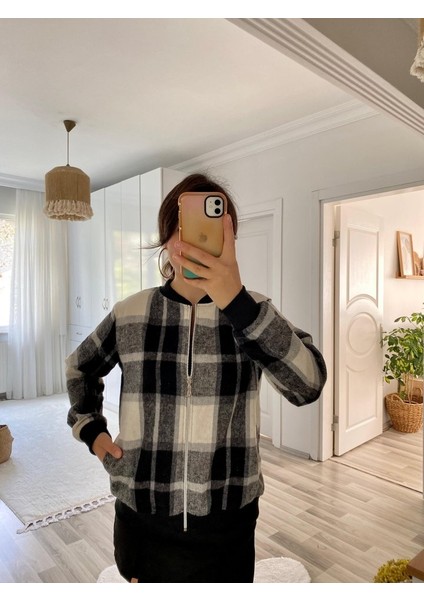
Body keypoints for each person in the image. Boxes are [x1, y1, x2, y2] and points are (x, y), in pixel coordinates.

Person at [66, 173, 327, 583]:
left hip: (228, 518)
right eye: (186, 228)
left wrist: (239, 306)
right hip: (142, 516)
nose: (198, 243)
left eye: (214, 230)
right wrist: (92, 432)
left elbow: (307, 384)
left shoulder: (254, 313)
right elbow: (79, 367)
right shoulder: (131, 313)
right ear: (167, 238)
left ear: (230, 240)